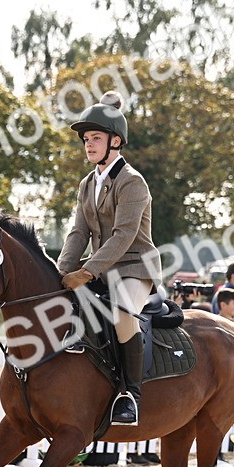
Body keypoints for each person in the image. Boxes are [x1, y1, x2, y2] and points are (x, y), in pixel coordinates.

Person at [57, 91, 160, 426]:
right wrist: (60, 271)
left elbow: (123, 236)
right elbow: (78, 233)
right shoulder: (87, 184)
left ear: (116, 141)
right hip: (100, 269)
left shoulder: (132, 182)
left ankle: (130, 395)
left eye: (96, 138)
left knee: (122, 315)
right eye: (86, 139)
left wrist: (85, 272)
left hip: (133, 266)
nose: (88, 145)